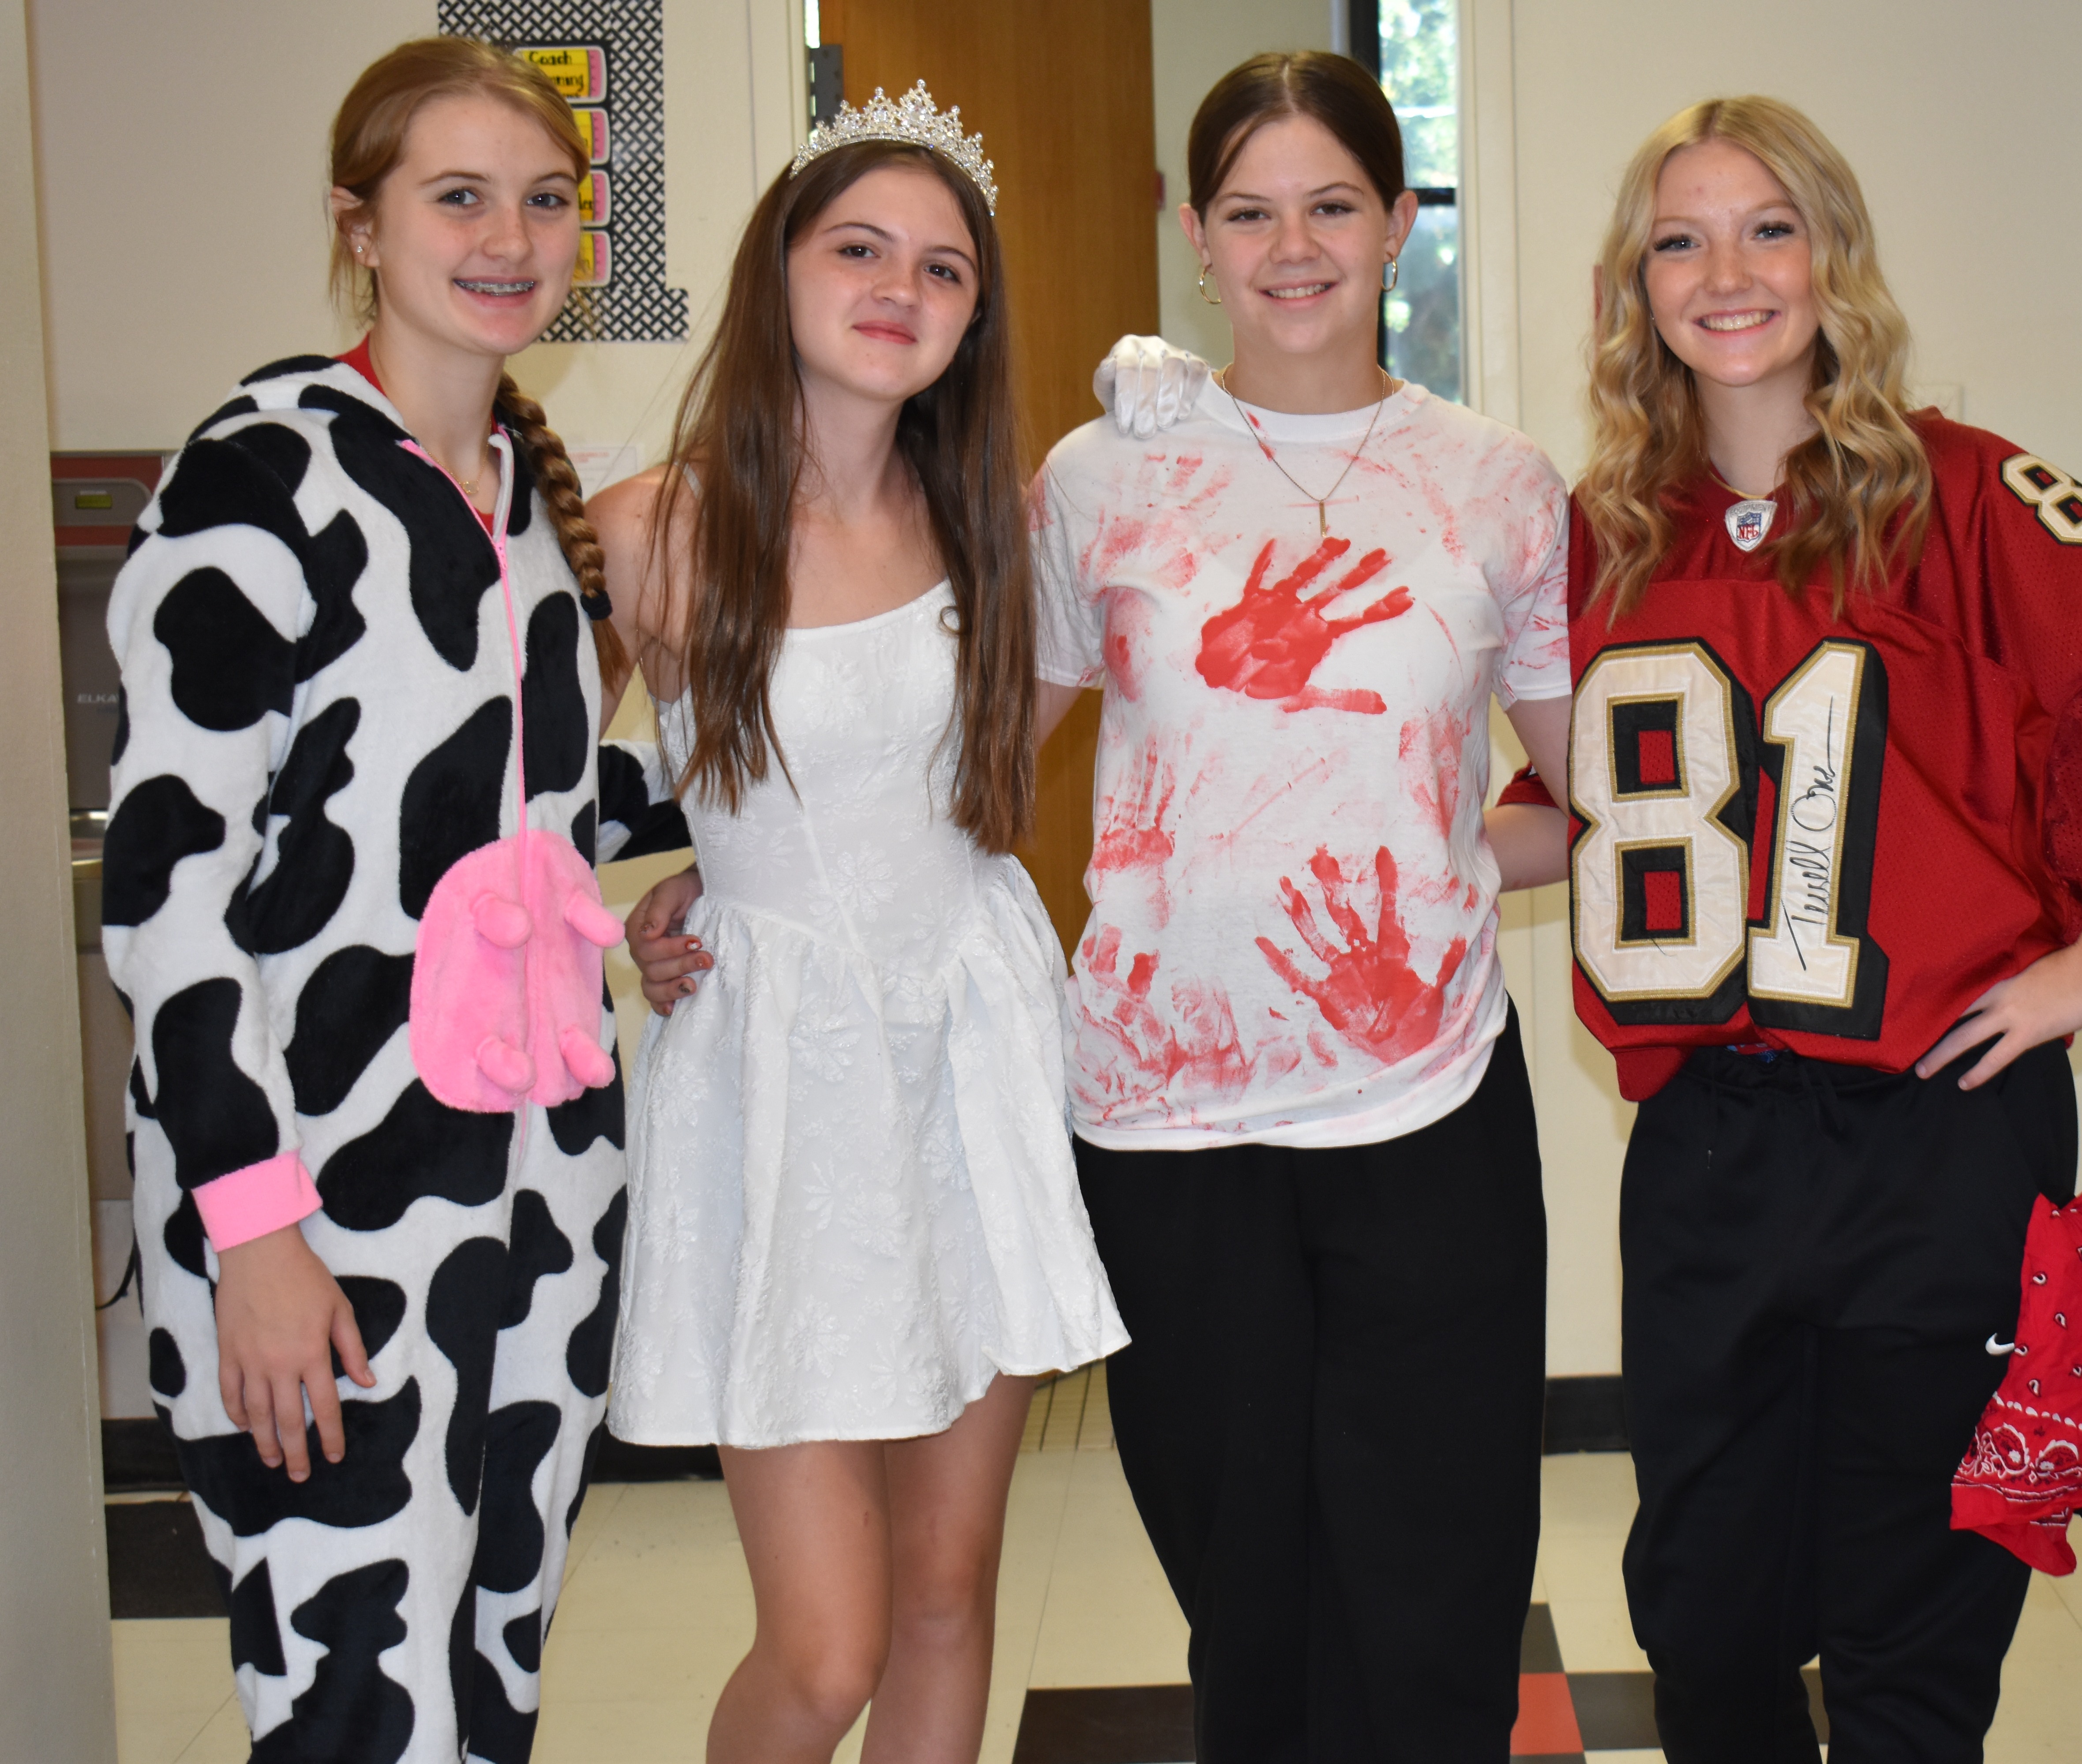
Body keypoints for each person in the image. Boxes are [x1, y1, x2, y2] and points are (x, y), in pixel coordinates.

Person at [633, 49, 1574, 1762]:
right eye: (1250, 209)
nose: (1293, 245)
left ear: (1399, 221)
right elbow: (956, 750)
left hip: (1424, 1100)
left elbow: (1589, 796)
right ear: (1192, 233)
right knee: (1247, 1598)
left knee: (1433, 1599)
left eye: (1334, 205)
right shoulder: (1091, 480)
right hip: (1159, 1119)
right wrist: (724, 869)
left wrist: (1440, 859)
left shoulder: (1500, 485)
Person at [1490, 97, 2082, 1759]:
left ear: (1835, 257)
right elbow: (1603, 819)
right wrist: (1404, 859)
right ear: (1634, 285)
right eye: (1680, 239)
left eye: (1769, 228)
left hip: (1940, 1132)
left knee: (1918, 1624)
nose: (1727, 272)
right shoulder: (1594, 539)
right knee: (1705, 1617)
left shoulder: (1967, 496)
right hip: (1710, 1146)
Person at [101, 37, 684, 1764]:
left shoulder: (528, 494)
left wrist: (683, 872)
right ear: (361, 222)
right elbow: (165, 872)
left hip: (528, 1212)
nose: (509, 234)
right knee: (362, 1706)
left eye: (546, 199)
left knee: (483, 1682)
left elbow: (540, 806)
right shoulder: (263, 474)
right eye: (457, 195)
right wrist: (255, 1230)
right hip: (324, 1212)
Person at [589, 86, 1125, 1764]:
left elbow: (955, 774)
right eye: (860, 249)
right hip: (780, 1090)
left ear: (974, 318)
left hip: (970, 1050)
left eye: (944, 268)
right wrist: (648, 909)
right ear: (782, 272)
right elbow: (517, 827)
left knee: (950, 1598)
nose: (902, 287)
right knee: (826, 1650)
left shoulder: (994, 521)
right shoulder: (653, 530)